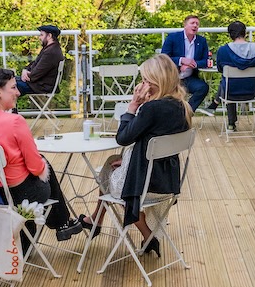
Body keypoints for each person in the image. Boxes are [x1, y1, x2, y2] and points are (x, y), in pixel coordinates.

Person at [79, 54, 192, 254]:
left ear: (157, 81)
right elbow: (153, 141)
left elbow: (122, 138)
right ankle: (96, 220)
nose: (142, 84)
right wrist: (129, 160)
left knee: (105, 175)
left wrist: (133, 105)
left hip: (144, 185)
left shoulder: (151, 109)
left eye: (145, 79)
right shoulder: (182, 107)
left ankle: (113, 224)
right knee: (114, 161)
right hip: (167, 181)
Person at [0, 68, 83, 245]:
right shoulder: (14, 122)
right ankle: (61, 223)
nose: (18, 92)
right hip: (22, 194)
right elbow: (36, 167)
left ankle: (43, 234)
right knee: (44, 164)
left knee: (38, 166)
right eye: (13, 88)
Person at [215, 21, 255, 130]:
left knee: (227, 83)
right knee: (230, 83)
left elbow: (220, 69)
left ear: (230, 35)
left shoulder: (223, 51)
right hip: (252, 93)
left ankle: (231, 123)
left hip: (230, 93)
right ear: (245, 33)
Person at [160, 14, 209, 113]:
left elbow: (205, 61)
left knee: (203, 87)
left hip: (189, 78)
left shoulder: (201, 41)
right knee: (170, 96)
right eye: (192, 23)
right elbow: (163, 58)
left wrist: (192, 63)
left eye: (197, 24)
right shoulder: (173, 38)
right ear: (185, 25)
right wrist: (181, 60)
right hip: (172, 77)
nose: (195, 26)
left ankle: (186, 112)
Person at [16, 24, 64, 95]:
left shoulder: (51, 52)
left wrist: (26, 75)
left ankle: (6, 106)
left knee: (7, 85)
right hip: (39, 84)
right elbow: (34, 63)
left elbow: (35, 75)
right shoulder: (50, 48)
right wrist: (25, 70)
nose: (39, 37)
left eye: (41, 35)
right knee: (7, 81)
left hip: (41, 86)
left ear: (49, 36)